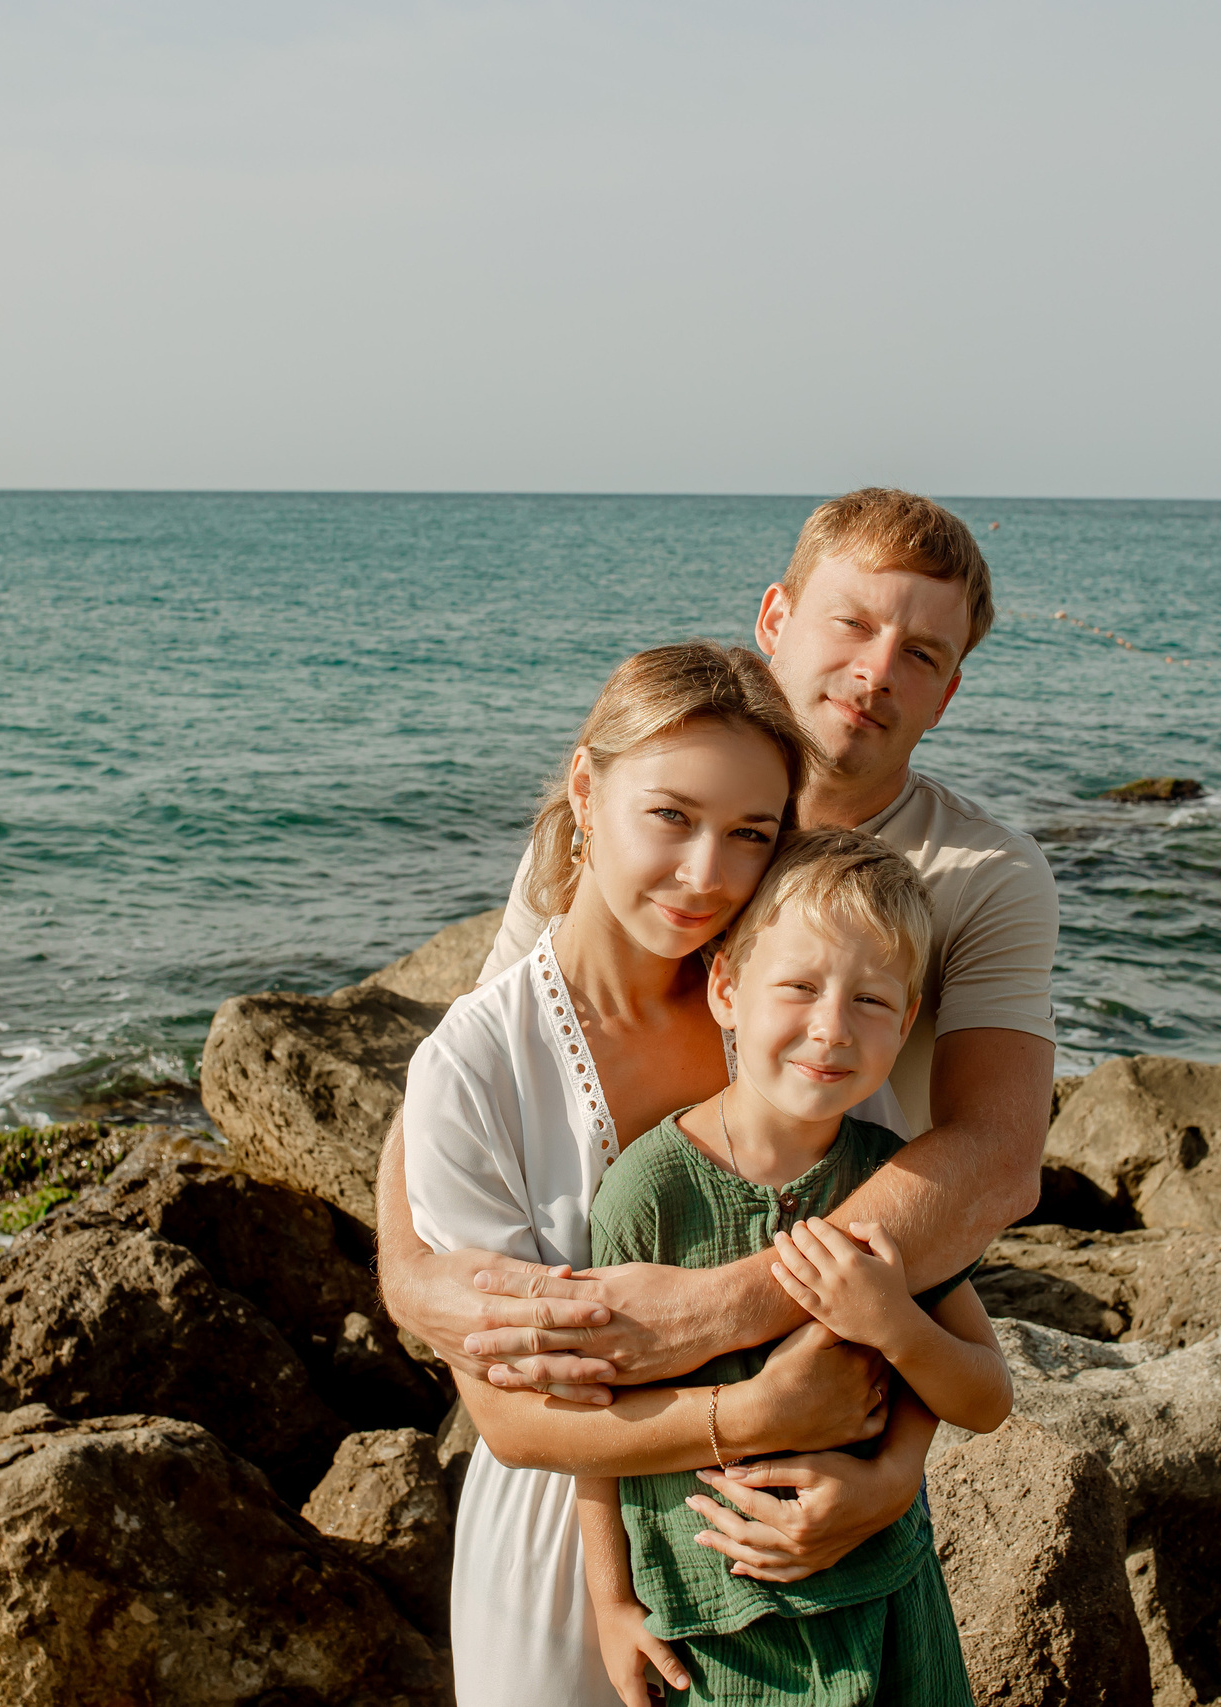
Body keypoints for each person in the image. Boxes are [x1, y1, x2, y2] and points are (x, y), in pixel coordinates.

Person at [382, 489, 1057, 1586]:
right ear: (775, 618)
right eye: (851, 623)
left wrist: (722, 1319)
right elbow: (471, 1065)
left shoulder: (984, 876)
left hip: (813, 1412)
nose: (876, 671)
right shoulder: (644, 818)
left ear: (949, 690)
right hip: (598, 1429)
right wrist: (409, 1274)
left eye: (922, 653)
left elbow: (996, 1159)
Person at [402, 639, 904, 1707]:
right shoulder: (475, 1066)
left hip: (785, 1554)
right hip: (560, 1561)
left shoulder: (790, 1014)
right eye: (671, 816)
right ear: (586, 791)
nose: (707, 874)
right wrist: (758, 1413)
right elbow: (513, 1419)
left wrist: (891, 1474)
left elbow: (895, 1260)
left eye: (750, 833)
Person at [580, 830, 1010, 1706]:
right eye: (800, 986)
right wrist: (611, 1602)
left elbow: (987, 1396)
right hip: (718, 1636)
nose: (831, 1027)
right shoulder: (649, 1192)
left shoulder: (892, 1185)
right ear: (727, 988)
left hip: (889, 1601)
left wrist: (894, 1322)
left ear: (906, 1021)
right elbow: (594, 1416)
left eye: (871, 1000)